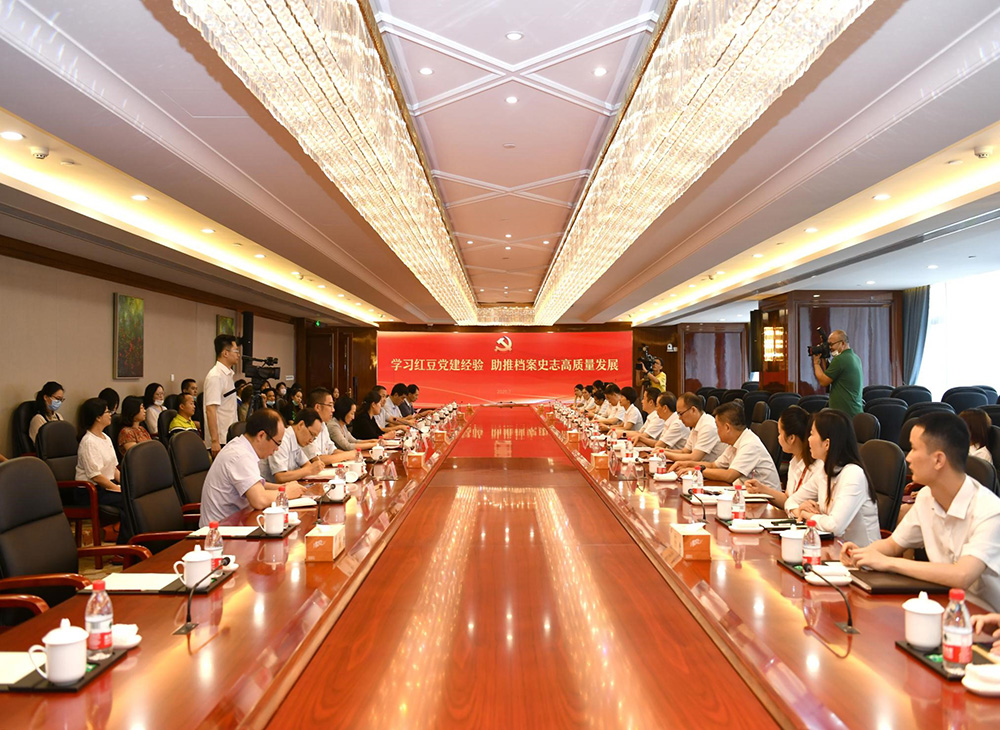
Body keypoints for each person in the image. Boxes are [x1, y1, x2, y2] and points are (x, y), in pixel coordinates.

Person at [842, 412, 1000, 609]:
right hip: (942, 604)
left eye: (914, 449)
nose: (908, 457)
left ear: (938, 460)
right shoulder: (926, 496)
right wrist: (861, 554)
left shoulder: (990, 510)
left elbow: (962, 575)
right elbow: (893, 545)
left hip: (984, 617)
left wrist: (888, 563)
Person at [786, 409, 879, 546]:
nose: (808, 440)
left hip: (862, 555)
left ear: (826, 444)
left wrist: (807, 515)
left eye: (811, 434)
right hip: (833, 548)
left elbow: (835, 527)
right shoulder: (824, 472)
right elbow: (790, 501)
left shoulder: (853, 474)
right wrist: (800, 510)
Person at [199, 408, 304, 527]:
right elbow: (259, 500)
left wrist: (283, 487)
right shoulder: (240, 455)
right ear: (261, 435)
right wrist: (287, 492)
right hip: (220, 532)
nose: (277, 449)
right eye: (277, 443)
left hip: (237, 522)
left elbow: (255, 484)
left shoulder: (242, 447)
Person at [673, 402, 781, 488]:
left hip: (766, 501)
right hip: (748, 493)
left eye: (717, 426)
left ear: (727, 427)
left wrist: (697, 471)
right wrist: (687, 464)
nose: (716, 430)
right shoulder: (735, 443)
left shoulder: (750, 444)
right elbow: (714, 465)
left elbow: (729, 476)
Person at [745, 405, 821, 509]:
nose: (778, 437)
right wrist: (761, 489)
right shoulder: (795, 461)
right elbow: (788, 500)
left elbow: (792, 504)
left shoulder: (817, 467)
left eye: (780, 433)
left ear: (791, 438)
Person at [76, 397, 128, 539]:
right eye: (107, 412)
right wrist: (117, 489)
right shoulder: (88, 442)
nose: (110, 414)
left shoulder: (106, 437)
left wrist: (126, 485)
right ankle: (125, 545)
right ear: (98, 417)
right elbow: (96, 476)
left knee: (134, 495)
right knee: (129, 500)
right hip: (90, 491)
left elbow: (114, 469)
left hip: (106, 487)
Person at [261, 408, 325, 483]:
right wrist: (309, 470)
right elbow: (280, 477)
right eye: (311, 434)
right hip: (266, 487)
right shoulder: (282, 439)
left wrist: (314, 468)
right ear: (301, 425)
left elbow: (307, 465)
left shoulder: (297, 440)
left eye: (314, 438)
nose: (311, 440)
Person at [662, 393, 726, 464]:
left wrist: (664, 454)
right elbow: (685, 452)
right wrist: (662, 450)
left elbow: (694, 458)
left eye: (681, 414)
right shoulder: (695, 425)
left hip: (711, 468)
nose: (679, 418)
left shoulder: (708, 426)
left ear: (693, 410)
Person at [205, 334, 240, 458]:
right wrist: (215, 441)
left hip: (230, 435)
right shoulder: (215, 376)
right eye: (236, 351)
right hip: (221, 439)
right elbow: (210, 409)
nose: (238, 355)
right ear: (225, 353)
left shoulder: (228, 375)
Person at [812, 329, 862, 416]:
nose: (829, 348)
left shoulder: (840, 359)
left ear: (842, 343)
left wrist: (816, 363)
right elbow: (831, 373)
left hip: (843, 413)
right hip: (854, 411)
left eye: (831, 344)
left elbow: (823, 381)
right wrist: (824, 358)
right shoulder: (855, 357)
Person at [303, 388, 358, 464]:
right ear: (318, 407)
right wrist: (346, 455)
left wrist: (352, 456)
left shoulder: (323, 424)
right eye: (330, 405)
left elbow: (332, 450)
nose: (333, 410)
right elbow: (317, 459)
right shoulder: (306, 426)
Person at [28, 381, 65, 446]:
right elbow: (41, 445)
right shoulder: (38, 419)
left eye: (61, 400)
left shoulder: (59, 416)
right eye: (57, 398)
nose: (59, 402)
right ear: (46, 397)